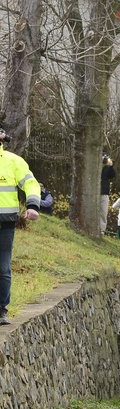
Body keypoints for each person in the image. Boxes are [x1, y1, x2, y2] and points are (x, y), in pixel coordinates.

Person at [0, 129, 41, 325]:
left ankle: (1, 310)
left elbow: (31, 183)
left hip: (5, 223)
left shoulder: (12, 161)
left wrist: (32, 205)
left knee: (2, 268)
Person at [99, 153, 116, 234]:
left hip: (104, 193)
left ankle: (101, 230)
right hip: (92, 193)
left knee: (103, 212)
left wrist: (111, 165)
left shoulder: (107, 168)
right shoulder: (92, 166)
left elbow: (113, 175)